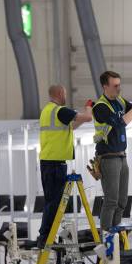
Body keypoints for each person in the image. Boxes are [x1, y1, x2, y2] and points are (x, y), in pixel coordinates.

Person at [91, 71, 132, 231]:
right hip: (108, 157)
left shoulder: (119, 100)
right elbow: (120, 123)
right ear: (105, 86)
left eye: (119, 84)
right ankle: (106, 236)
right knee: (111, 200)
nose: (119, 88)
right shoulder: (100, 107)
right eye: (115, 85)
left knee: (122, 201)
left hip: (121, 157)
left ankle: (116, 233)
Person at [37, 85, 93, 248]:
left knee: (51, 201)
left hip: (48, 161)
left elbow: (72, 125)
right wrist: (89, 108)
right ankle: (45, 237)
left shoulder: (47, 112)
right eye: (65, 94)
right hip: (55, 163)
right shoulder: (59, 111)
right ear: (60, 93)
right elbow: (88, 118)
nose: (66, 96)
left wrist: (81, 117)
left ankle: (45, 236)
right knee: (54, 202)